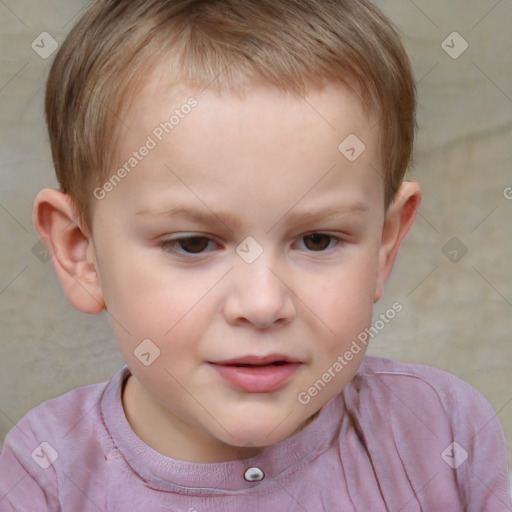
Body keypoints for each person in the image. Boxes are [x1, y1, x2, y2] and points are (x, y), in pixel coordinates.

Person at [1, 0, 510, 510]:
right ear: (80, 253)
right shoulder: (44, 475)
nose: (264, 303)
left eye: (318, 240)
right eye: (193, 244)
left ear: (384, 244)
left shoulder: (442, 431)